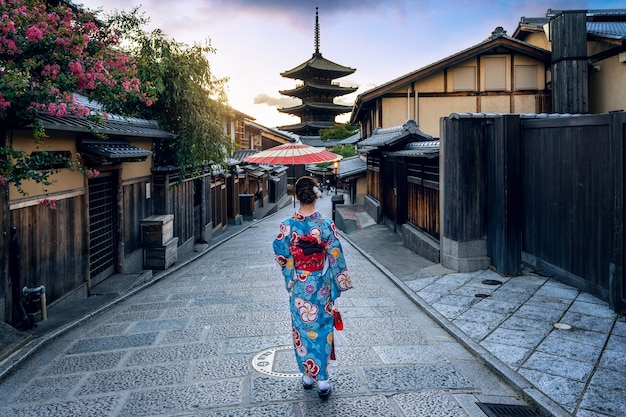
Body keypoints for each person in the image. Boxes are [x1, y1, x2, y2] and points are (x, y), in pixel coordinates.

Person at [273, 176, 353, 399]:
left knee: (303, 330)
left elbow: (281, 255)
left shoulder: (287, 226)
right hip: (321, 286)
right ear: (317, 195)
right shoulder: (326, 224)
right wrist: (334, 278)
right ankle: (324, 380)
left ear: (296, 196)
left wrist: (293, 272)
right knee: (323, 329)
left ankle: (308, 375)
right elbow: (335, 253)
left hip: (300, 285)